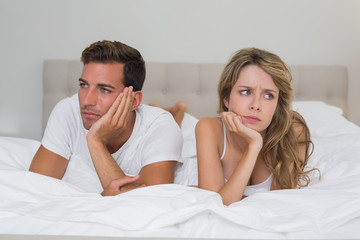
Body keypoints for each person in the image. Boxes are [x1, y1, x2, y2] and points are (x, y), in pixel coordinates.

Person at [29, 40, 183, 196]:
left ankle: (177, 113)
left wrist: (96, 141)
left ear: (134, 101)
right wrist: (102, 198)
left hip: (158, 122)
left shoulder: (161, 126)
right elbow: (36, 189)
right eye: (83, 85)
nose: (87, 101)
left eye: (104, 89)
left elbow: (152, 202)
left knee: (172, 125)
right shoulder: (68, 110)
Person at [195, 48, 317, 205]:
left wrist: (254, 143)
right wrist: (254, 147)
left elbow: (280, 204)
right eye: (246, 92)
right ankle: (177, 113)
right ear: (226, 98)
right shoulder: (209, 128)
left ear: (277, 104)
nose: (256, 105)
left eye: (268, 96)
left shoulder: (293, 130)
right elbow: (215, 205)